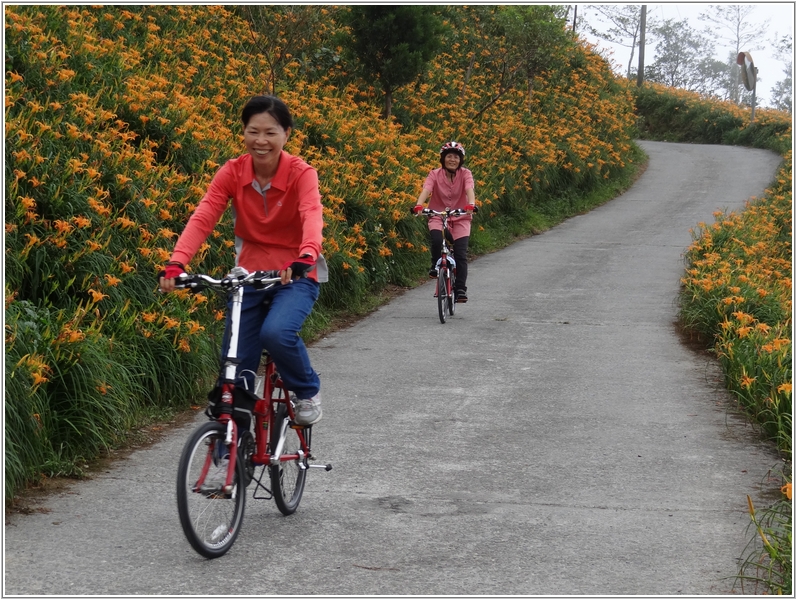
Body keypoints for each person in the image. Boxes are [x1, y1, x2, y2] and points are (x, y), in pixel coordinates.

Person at [159, 95, 326, 426]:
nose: (260, 141)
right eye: (253, 131)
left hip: (294, 274)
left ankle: (306, 390)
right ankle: (229, 456)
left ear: (286, 134)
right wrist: (177, 263)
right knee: (233, 368)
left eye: (270, 133)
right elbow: (203, 216)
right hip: (248, 275)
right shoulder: (232, 172)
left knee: (277, 333)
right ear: (244, 132)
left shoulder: (301, 173)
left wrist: (306, 255)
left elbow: (311, 214)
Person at [411, 141, 477, 303]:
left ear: (460, 160)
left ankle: (460, 288)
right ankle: (435, 265)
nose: (452, 160)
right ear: (443, 159)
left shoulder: (466, 174)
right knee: (436, 240)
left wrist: (471, 205)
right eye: (449, 156)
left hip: (461, 217)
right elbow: (427, 188)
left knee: (460, 255)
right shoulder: (434, 174)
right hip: (437, 215)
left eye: (456, 157)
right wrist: (419, 205)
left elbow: (469, 189)